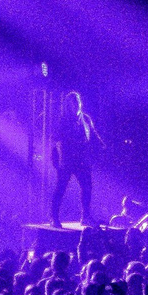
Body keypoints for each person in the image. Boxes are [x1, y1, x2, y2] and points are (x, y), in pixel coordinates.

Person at [50, 90, 98, 226]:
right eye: (73, 104)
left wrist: (102, 146)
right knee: (61, 188)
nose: (76, 106)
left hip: (82, 160)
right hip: (67, 160)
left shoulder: (86, 119)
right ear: (68, 106)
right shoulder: (63, 121)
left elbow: (93, 136)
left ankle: (86, 217)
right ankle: (54, 217)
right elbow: (54, 141)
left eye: (78, 103)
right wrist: (55, 159)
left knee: (87, 187)